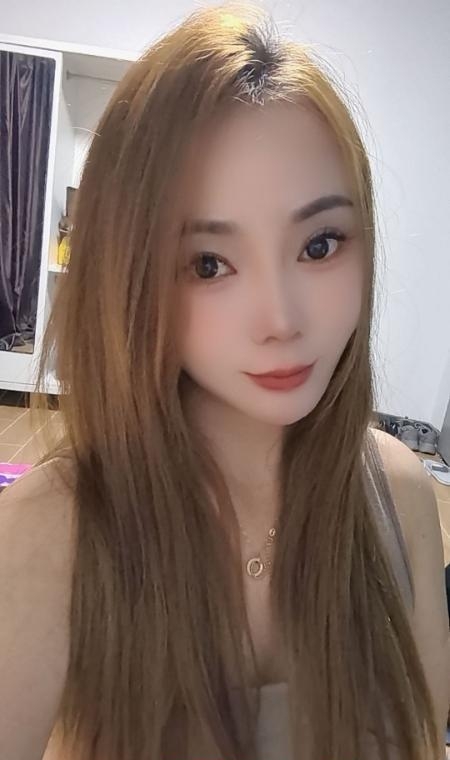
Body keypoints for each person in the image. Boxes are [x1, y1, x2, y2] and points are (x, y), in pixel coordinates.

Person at [0, 4, 449, 760]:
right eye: (209, 264)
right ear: (131, 276)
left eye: (319, 245)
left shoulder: (399, 495)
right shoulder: (55, 532)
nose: (281, 318)